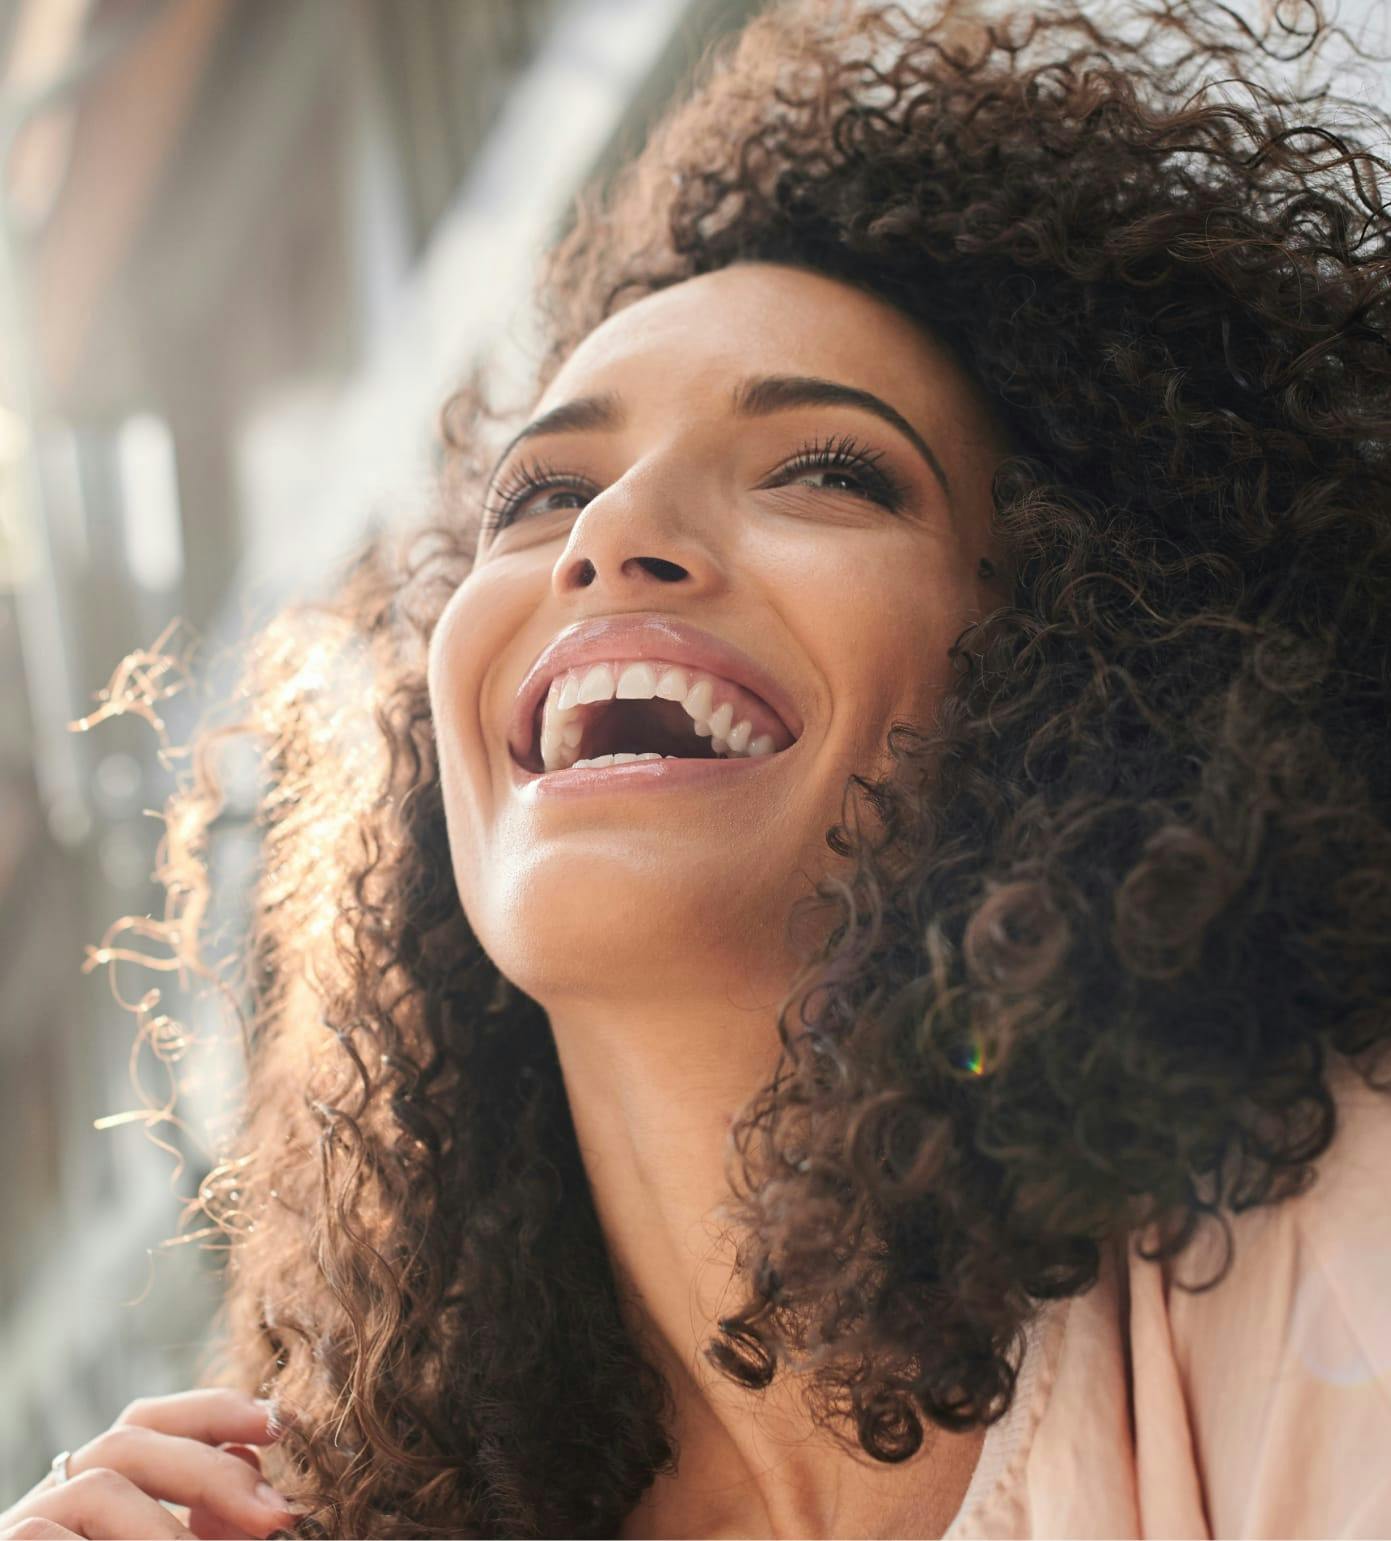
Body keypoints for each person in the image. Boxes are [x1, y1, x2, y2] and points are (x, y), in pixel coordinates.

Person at [6, 0, 1391, 1535]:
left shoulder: (1320, 1263)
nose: (609, 537)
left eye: (827, 470)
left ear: (1075, 656)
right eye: (540, 494)